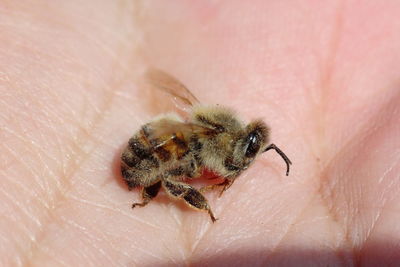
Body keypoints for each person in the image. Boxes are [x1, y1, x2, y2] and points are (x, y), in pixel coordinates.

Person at [1, 1, 399, 266]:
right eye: (247, 153)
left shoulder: (217, 134)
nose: (242, 161)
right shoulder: (214, 138)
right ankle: (161, 192)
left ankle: (152, 189)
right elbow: (181, 155)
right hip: (150, 148)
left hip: (158, 140)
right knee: (170, 162)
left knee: (175, 159)